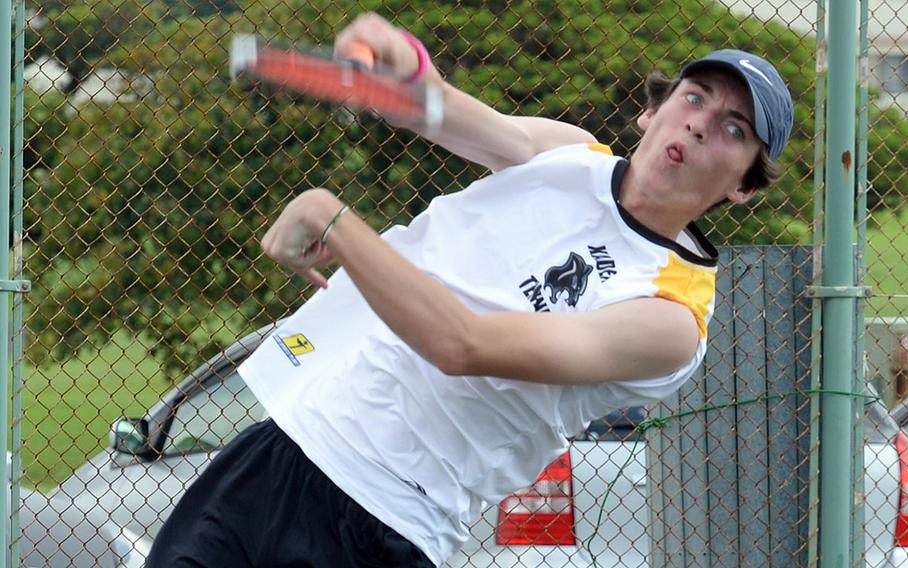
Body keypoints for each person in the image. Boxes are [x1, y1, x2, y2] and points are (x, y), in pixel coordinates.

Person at [146, 12, 793, 568]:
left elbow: (462, 345)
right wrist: (403, 61)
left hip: (384, 524)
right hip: (287, 444)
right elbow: (437, 110)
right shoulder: (568, 155)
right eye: (694, 96)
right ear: (652, 112)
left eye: (735, 129)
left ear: (742, 186)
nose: (701, 123)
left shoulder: (671, 321)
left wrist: (333, 220)